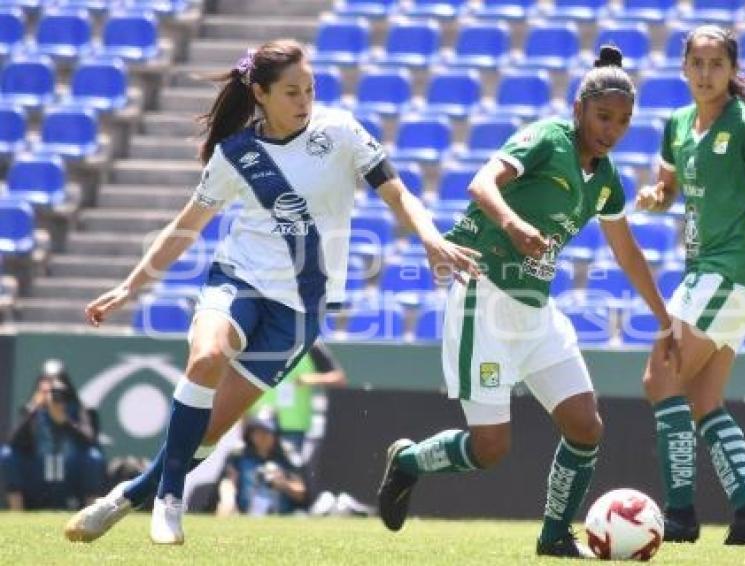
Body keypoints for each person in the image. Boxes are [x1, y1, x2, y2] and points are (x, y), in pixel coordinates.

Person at [63, 38, 479, 545]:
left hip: (300, 308)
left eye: (310, 89)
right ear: (259, 93)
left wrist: (432, 239)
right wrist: (130, 286)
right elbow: (186, 225)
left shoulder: (341, 131)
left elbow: (397, 192)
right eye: (291, 92)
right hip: (239, 279)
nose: (304, 100)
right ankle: (170, 500)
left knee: (209, 431)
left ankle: (127, 496)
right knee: (207, 356)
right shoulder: (236, 153)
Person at [377, 45, 680, 558]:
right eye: (604, 116)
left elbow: (626, 250)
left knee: (586, 427)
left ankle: (555, 536)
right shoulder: (546, 138)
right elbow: (481, 183)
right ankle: (408, 461)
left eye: (623, 122)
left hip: (537, 311)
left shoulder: (605, 179)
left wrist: (663, 317)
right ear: (579, 108)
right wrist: (514, 225)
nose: (612, 129)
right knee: (490, 449)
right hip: (485, 298)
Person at [635, 25, 745, 545]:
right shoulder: (677, 124)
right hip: (703, 273)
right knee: (704, 399)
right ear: (684, 68)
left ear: (732, 71)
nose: (705, 74)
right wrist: (654, 196)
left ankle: (679, 516)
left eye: (716, 64)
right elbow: (667, 190)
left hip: (731, 272)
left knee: (659, 377)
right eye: (697, 63)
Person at [248, 339, 346, 508]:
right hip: (260, 426)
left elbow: (339, 378)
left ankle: (285, 513)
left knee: (288, 476)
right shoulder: (262, 338)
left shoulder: (311, 344)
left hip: (292, 428)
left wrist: (310, 380)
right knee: (253, 473)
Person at [1, 365, 105, 510]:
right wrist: (34, 410)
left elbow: (90, 441)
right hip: (37, 469)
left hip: (71, 470)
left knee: (94, 457)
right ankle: (17, 510)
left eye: (57, 385)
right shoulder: (31, 410)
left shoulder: (80, 409)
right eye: (48, 384)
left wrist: (66, 422)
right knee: (7, 454)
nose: (53, 392)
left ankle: (91, 512)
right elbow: (13, 442)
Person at [215, 410, 306, 516]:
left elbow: (303, 494)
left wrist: (283, 484)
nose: (261, 436)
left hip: (283, 516)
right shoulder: (238, 456)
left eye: (266, 431)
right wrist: (228, 500)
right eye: (257, 431)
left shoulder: (288, 456)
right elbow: (228, 483)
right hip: (244, 516)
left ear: (275, 434)